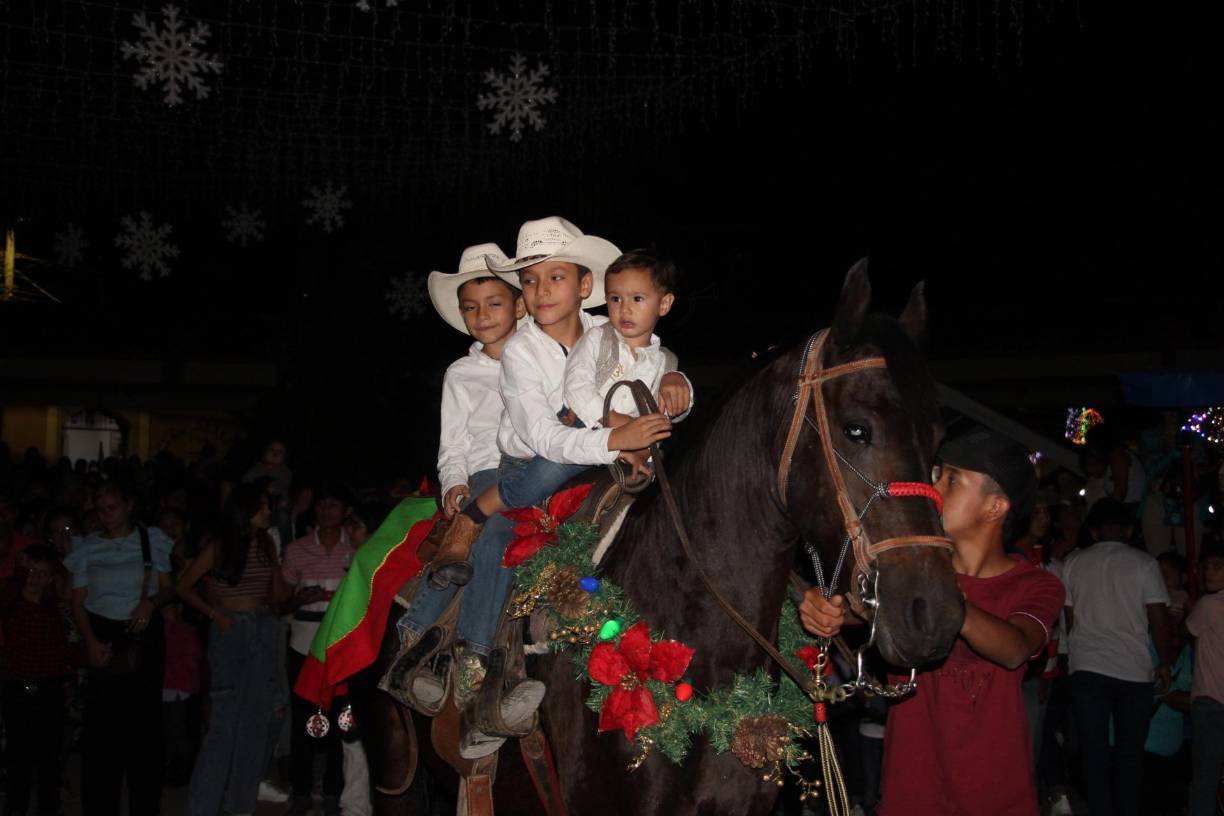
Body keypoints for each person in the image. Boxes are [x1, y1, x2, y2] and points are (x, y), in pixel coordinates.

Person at [799, 425, 1064, 815]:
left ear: (995, 507)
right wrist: (826, 608)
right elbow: (857, 608)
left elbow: (1014, 649)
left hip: (996, 798)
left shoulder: (1036, 585)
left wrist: (937, 592)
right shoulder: (906, 576)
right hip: (909, 796)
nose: (934, 489)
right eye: (937, 474)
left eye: (953, 479)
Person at [65, 480, 175, 816]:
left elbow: (170, 590)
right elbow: (77, 602)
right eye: (100, 509)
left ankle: (145, 807)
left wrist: (151, 604)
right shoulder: (87, 547)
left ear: (129, 505)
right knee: (102, 736)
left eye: (112, 507)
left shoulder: (151, 540)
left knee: (143, 733)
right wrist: (90, 641)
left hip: (141, 637)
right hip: (103, 635)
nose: (106, 515)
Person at [177, 483, 287, 816]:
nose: (269, 512)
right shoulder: (220, 546)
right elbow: (183, 587)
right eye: (264, 506)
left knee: (256, 723)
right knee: (224, 725)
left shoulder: (267, 543)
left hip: (263, 628)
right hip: (231, 631)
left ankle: (240, 806)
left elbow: (278, 596)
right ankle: (202, 807)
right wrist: (214, 615)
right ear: (247, 510)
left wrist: (278, 564)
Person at [1061, 497, 1174, 816]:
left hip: (1087, 668)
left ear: (1094, 531)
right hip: (1133, 670)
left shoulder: (1074, 562)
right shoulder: (1144, 563)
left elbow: (1070, 619)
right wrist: (1164, 662)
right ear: (1127, 530)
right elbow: (1158, 618)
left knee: (1094, 754)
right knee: (1129, 755)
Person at [282, 482, 357, 816]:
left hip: (343, 648)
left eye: (334, 504)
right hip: (303, 643)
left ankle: (332, 790)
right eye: (322, 504)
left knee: (344, 718)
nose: (326, 510)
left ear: (346, 510)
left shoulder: (357, 548)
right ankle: (299, 790)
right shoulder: (297, 549)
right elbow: (279, 601)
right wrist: (298, 598)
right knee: (303, 718)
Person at [0, 545, 72, 816]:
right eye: (32, 572)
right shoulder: (13, 603)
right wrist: (21, 570)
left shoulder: (52, 606)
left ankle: (48, 808)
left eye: (43, 574)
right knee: (19, 758)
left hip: (49, 690)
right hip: (19, 690)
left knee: (48, 759)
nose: (36, 578)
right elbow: (7, 597)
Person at [1187, 543, 1224, 816]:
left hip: (1212, 698)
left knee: (1205, 777)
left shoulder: (1210, 603)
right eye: (1207, 567)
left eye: (1218, 567)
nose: (1209, 573)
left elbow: (1188, 630)